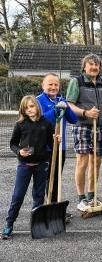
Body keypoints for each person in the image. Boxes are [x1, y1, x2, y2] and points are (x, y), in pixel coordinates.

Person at [2, 95, 56, 239]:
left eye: (31, 106)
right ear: (23, 110)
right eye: (26, 108)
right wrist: (19, 151)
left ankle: (36, 225)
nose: (29, 110)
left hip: (41, 164)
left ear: (37, 106)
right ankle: (9, 223)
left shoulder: (47, 123)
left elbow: (52, 144)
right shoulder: (20, 124)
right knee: (18, 195)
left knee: (38, 196)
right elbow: (12, 143)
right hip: (24, 165)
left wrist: (56, 141)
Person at [66, 53, 102, 212]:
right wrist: (85, 113)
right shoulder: (76, 82)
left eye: (96, 65)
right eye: (90, 64)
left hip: (99, 127)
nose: (94, 67)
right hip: (82, 126)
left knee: (96, 162)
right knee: (82, 161)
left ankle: (92, 196)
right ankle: (81, 199)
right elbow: (69, 104)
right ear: (84, 66)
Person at [36, 73, 77, 222]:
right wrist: (55, 110)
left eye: (56, 85)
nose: (53, 87)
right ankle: (42, 210)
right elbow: (39, 120)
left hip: (60, 146)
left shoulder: (61, 99)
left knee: (56, 179)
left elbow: (73, 119)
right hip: (44, 147)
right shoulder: (38, 101)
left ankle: (54, 208)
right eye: (50, 84)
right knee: (45, 179)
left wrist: (66, 106)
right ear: (43, 85)